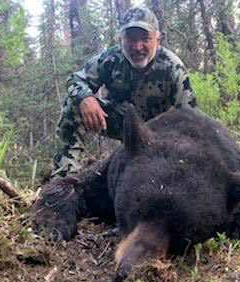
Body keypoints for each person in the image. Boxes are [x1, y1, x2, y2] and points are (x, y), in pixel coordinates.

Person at [53, 6, 197, 177]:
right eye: (130, 38)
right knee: (73, 103)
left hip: (159, 134)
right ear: (121, 38)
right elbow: (76, 79)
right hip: (120, 122)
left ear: (157, 39)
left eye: (145, 38)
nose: (137, 47)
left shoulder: (172, 68)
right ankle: (64, 179)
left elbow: (191, 119)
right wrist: (86, 97)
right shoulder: (111, 59)